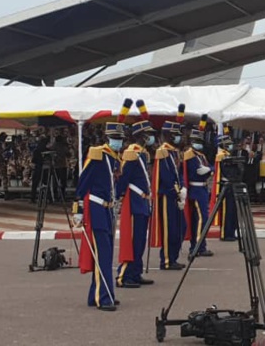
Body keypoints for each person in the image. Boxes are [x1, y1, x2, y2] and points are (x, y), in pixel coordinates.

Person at [73, 99, 130, 312]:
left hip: (108, 211)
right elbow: (82, 183)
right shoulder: (97, 154)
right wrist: (78, 209)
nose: (118, 142)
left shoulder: (115, 159)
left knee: (106, 255)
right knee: (103, 255)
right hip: (96, 210)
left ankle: (97, 294)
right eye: (115, 138)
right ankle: (103, 297)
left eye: (120, 139)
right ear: (108, 138)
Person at [116, 100, 156, 288]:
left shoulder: (143, 153)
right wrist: (119, 197)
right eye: (148, 134)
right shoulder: (132, 153)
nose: (151, 137)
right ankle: (124, 275)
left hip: (143, 202)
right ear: (141, 135)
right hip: (133, 202)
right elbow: (124, 179)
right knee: (131, 241)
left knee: (140, 241)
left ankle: (136, 272)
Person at [152, 104, 187, 271]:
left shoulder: (174, 151)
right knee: (169, 229)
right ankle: (166, 259)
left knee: (181, 227)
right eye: (175, 135)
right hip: (167, 196)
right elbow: (165, 178)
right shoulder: (163, 152)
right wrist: (176, 193)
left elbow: (178, 173)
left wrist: (183, 189)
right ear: (168, 135)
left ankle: (173, 256)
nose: (178, 138)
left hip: (177, 195)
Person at [184, 115, 215, 258]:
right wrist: (209, 170)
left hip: (202, 188)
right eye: (196, 141)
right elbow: (197, 171)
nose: (198, 143)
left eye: (200, 141)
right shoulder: (190, 155)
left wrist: (210, 169)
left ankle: (200, 245)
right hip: (195, 189)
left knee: (201, 218)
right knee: (202, 218)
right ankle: (197, 246)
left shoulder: (200, 155)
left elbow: (209, 167)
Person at [212, 126, 238, 241]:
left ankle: (231, 232)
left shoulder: (227, 154)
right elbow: (225, 172)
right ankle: (225, 233)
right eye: (227, 144)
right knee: (226, 211)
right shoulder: (221, 156)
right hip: (225, 186)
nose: (230, 145)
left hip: (231, 185)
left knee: (232, 210)